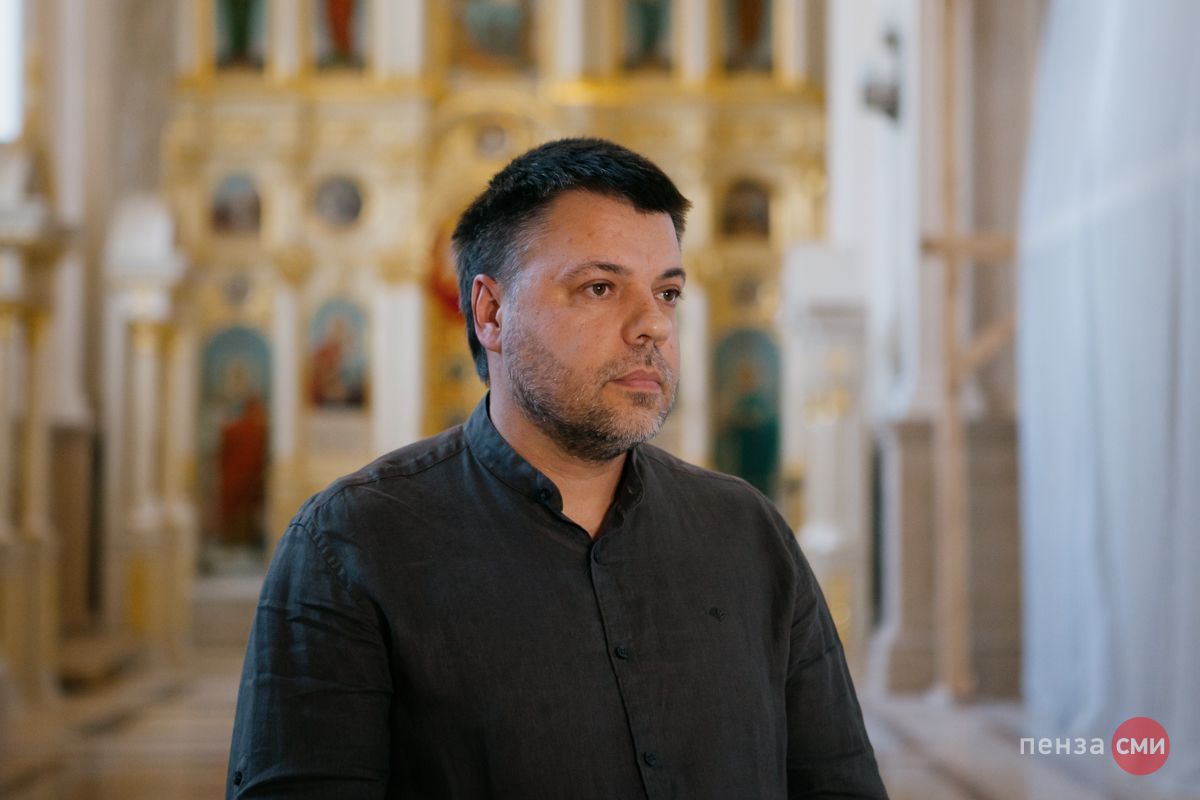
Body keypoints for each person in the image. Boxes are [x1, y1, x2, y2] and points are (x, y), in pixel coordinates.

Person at [227, 138, 889, 799]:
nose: (652, 326)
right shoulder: (350, 545)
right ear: (491, 313)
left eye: (667, 293)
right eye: (600, 288)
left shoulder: (747, 532)